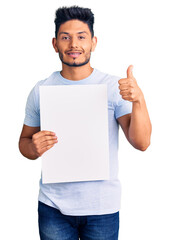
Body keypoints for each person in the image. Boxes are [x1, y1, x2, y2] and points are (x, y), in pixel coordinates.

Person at [18, 6, 152, 240]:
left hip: (102, 208)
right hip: (53, 207)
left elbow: (141, 143)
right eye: (65, 37)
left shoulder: (113, 87)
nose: (73, 45)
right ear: (55, 44)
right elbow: (24, 143)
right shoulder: (41, 90)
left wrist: (139, 100)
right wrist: (33, 148)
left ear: (93, 42)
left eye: (81, 37)